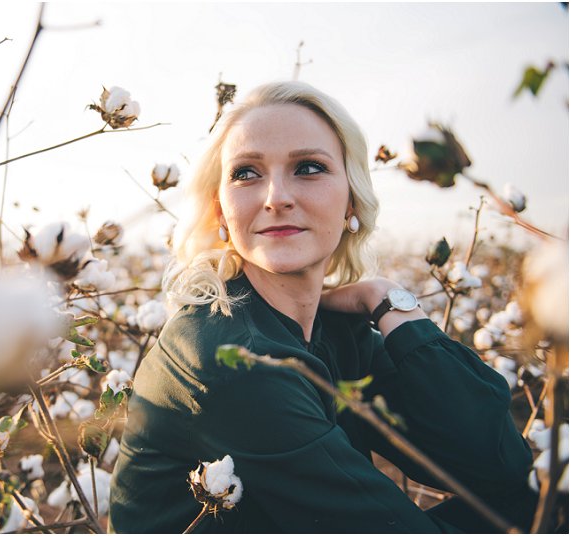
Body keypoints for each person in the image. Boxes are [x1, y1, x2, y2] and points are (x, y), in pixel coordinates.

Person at [108, 81, 535, 533]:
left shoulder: (335, 335)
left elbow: (500, 465)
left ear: (351, 199)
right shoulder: (225, 353)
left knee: (532, 504)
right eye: (246, 173)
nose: (276, 197)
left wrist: (389, 302)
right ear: (220, 212)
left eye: (308, 167)